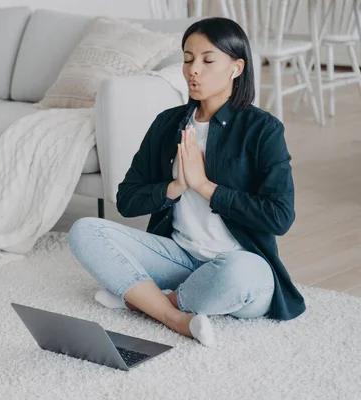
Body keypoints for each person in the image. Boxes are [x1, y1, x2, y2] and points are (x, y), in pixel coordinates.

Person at [67, 17, 306, 347]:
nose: (193, 70)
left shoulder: (263, 130)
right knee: (85, 231)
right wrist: (174, 188)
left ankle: (148, 299)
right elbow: (126, 199)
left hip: (237, 263)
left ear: (236, 68)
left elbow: (279, 217)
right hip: (177, 258)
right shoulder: (168, 124)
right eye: (188, 58)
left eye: (208, 61)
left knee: (242, 273)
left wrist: (204, 186)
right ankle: (175, 317)